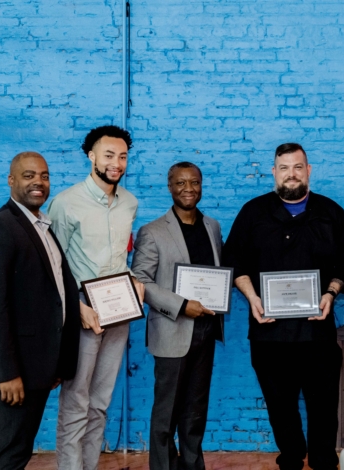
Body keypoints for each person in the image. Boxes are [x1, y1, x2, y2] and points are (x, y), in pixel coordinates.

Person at [223, 143, 344, 470]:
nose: (291, 174)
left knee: (323, 407)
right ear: (274, 172)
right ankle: (292, 460)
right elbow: (233, 263)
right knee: (280, 408)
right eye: (284, 167)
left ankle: (324, 462)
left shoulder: (331, 212)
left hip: (318, 333)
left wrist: (331, 292)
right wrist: (252, 297)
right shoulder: (252, 213)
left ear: (308, 170)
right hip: (269, 335)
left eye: (298, 167)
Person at [0, 152, 81, 469]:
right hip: (13, 368)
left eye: (44, 176)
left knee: (20, 449)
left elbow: (55, 294)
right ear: (12, 180)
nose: (38, 182)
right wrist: (7, 373)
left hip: (38, 365)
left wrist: (57, 361)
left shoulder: (41, 227)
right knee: (11, 452)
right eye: (29, 175)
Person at [50, 125, 144, 470]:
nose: (116, 163)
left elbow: (120, 258)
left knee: (100, 402)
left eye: (122, 157)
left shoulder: (129, 203)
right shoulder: (65, 203)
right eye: (108, 155)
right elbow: (52, 266)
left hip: (118, 314)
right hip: (83, 313)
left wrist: (135, 281)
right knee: (76, 401)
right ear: (91, 156)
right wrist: (77, 309)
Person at [131, 162, 224, 470]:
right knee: (166, 413)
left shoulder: (212, 227)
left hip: (206, 329)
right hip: (172, 330)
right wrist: (183, 305)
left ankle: (194, 465)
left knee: (196, 409)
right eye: (180, 183)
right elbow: (141, 281)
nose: (188, 189)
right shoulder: (153, 231)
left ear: (202, 185)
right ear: (169, 187)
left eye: (194, 182)